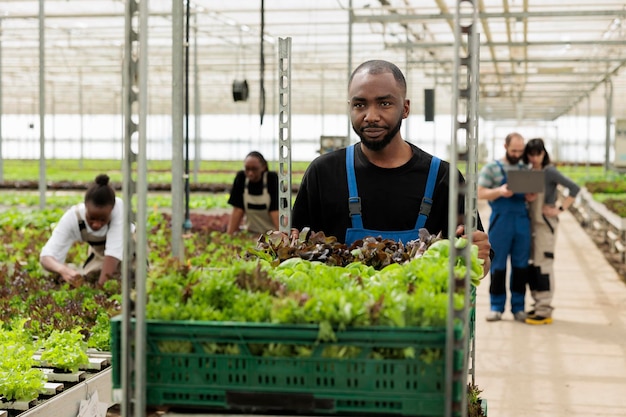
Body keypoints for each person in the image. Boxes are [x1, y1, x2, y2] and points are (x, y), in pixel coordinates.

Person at [291, 59, 492, 274]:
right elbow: (298, 251)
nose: (371, 116)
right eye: (360, 105)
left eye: (384, 103)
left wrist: (479, 256)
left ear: (405, 108)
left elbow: (480, 267)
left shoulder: (444, 178)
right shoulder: (323, 173)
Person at [477, 132, 536, 322]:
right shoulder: (492, 168)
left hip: (521, 221)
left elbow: (531, 194)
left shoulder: (526, 169)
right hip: (501, 221)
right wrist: (499, 191)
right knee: (498, 265)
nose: (517, 154)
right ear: (505, 147)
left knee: (520, 266)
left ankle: (518, 307)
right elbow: (479, 193)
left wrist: (530, 196)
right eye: (514, 150)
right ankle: (496, 306)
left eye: (520, 151)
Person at [523, 138, 580, 325]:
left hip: (545, 225)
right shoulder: (531, 172)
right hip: (532, 224)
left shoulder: (550, 172)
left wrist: (560, 209)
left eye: (537, 154)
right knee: (534, 265)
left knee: (543, 264)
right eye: (531, 154)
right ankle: (539, 304)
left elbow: (574, 188)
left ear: (543, 153)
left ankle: (544, 309)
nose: (534, 158)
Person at [40, 174, 132, 287]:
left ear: (111, 210)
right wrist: (63, 270)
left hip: (130, 251)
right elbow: (46, 256)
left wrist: (101, 290)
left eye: (103, 220)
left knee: (132, 278)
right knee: (92, 277)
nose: (96, 224)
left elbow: (113, 253)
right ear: (86, 207)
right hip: (101, 254)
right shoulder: (73, 217)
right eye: (91, 218)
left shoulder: (119, 209)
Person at [227, 151, 280, 235]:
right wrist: (229, 235)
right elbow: (238, 209)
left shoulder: (271, 179)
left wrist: (282, 236)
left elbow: (275, 211)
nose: (250, 173)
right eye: (247, 169)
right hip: (251, 232)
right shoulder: (241, 178)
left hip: (272, 234)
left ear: (263, 167)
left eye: (254, 169)